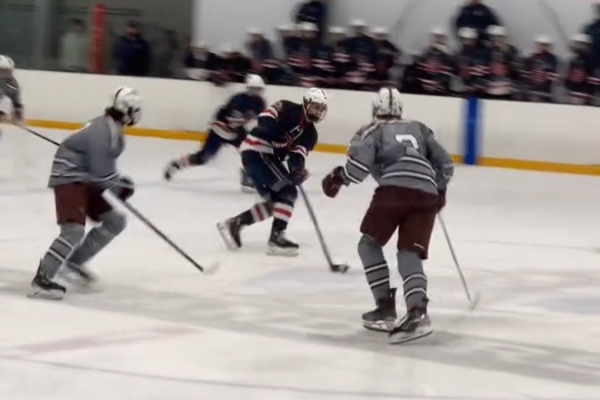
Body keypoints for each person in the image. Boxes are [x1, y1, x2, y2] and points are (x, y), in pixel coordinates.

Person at [321, 87, 454, 344]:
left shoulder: (371, 130)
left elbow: (358, 168)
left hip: (393, 190)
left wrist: (338, 178)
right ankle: (417, 312)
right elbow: (445, 163)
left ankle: (385, 307)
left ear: (375, 110)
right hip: (426, 193)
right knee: (409, 252)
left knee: (369, 244)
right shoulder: (420, 127)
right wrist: (439, 189)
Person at [30, 87, 142, 300]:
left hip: (84, 179)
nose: (137, 114)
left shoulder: (111, 128)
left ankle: (73, 262)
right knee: (73, 231)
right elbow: (103, 174)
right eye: (135, 110)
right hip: (69, 179)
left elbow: (102, 170)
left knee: (115, 221)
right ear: (126, 110)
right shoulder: (106, 132)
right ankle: (43, 278)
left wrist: (119, 185)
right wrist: (120, 187)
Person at [217, 87, 327, 256]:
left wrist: (297, 170)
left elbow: (297, 154)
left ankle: (235, 223)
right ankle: (276, 239)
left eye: (320, 108)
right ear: (306, 102)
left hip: (265, 156)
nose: (318, 111)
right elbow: (265, 118)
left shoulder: (310, 134)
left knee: (277, 202)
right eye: (315, 106)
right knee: (288, 191)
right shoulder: (286, 107)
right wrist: (276, 134)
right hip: (257, 149)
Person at [163, 74, 266, 191]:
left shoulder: (260, 103)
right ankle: (177, 165)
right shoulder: (238, 100)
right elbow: (228, 118)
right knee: (202, 158)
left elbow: (262, 119)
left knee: (251, 152)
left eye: (259, 89)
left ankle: (248, 178)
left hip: (236, 131)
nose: (257, 92)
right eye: (255, 89)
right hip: (220, 130)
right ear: (249, 89)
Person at [0, 55, 24, 123]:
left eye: (8, 71)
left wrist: (17, 113)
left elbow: (16, 100)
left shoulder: (11, 83)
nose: (7, 73)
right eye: (3, 71)